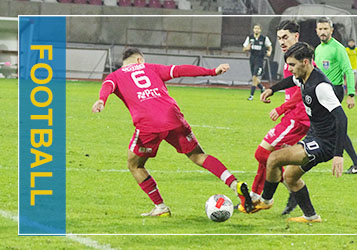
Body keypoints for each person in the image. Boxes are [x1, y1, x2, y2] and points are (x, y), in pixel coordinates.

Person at [91, 48, 254, 216]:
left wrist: (102, 100)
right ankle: (235, 184)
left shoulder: (116, 75)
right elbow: (180, 70)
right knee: (198, 156)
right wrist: (212, 72)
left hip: (148, 124)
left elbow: (107, 86)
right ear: (140, 60)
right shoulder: (150, 68)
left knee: (135, 165)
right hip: (173, 116)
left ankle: (161, 207)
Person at [253, 42, 347, 223]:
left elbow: (342, 118)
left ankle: (265, 200)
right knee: (290, 177)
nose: (289, 69)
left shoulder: (321, 87)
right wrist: (272, 89)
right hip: (315, 135)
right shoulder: (303, 76)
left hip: (324, 143)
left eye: (292, 65)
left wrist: (338, 154)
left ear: (305, 62)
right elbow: (291, 81)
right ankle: (311, 217)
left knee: (274, 158)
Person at [238, 20, 310, 216]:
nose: (281, 41)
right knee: (265, 156)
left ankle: (291, 186)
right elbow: (292, 83)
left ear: (296, 36)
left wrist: (282, 107)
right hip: (292, 116)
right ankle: (255, 195)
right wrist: (272, 89)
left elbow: (304, 89)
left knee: (263, 155)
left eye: (285, 37)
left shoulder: (302, 59)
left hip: (298, 118)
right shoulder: (291, 58)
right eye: (279, 38)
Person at [314, 17, 357, 174]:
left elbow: (348, 70)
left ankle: (356, 163)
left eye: (325, 29)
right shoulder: (318, 49)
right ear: (316, 31)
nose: (323, 32)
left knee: (334, 127)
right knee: (333, 127)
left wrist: (351, 93)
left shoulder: (337, 48)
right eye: (320, 29)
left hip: (334, 90)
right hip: (321, 91)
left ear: (331, 30)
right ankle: (356, 164)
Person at [243, 23, 273, 101]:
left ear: (260, 30)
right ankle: (262, 88)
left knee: (254, 77)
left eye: (258, 28)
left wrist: (269, 52)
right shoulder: (250, 38)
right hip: (252, 59)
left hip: (260, 59)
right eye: (255, 28)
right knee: (254, 78)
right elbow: (244, 48)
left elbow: (269, 46)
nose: (256, 30)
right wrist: (247, 48)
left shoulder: (264, 38)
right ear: (253, 29)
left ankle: (251, 95)